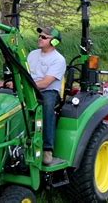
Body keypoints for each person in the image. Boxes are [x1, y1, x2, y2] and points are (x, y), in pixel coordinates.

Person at [28, 26, 66, 165]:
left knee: (47, 105)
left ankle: (47, 149)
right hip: (29, 88)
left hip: (48, 91)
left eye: (44, 37)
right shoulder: (32, 54)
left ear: (54, 42)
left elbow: (45, 83)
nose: (40, 38)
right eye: (40, 36)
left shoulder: (58, 60)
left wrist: (24, 86)